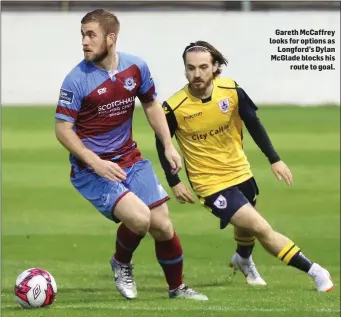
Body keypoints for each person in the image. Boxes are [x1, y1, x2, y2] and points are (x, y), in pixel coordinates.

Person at [155, 40, 334, 292]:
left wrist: (275, 159)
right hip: (210, 183)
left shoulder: (231, 90)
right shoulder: (175, 107)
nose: (197, 74)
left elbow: (253, 123)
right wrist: (174, 181)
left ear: (215, 67)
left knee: (245, 226)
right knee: (260, 227)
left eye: (203, 67)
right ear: (185, 70)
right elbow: (164, 144)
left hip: (240, 170)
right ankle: (316, 272)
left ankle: (243, 259)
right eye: (191, 68)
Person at [54, 10, 208, 301]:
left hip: (129, 158)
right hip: (92, 168)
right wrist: (94, 161)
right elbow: (63, 129)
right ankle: (121, 263)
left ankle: (177, 288)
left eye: (91, 35)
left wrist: (167, 144)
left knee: (162, 225)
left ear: (111, 38)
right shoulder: (76, 80)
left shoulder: (136, 67)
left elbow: (151, 104)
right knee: (139, 219)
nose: (84, 42)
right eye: (82, 35)